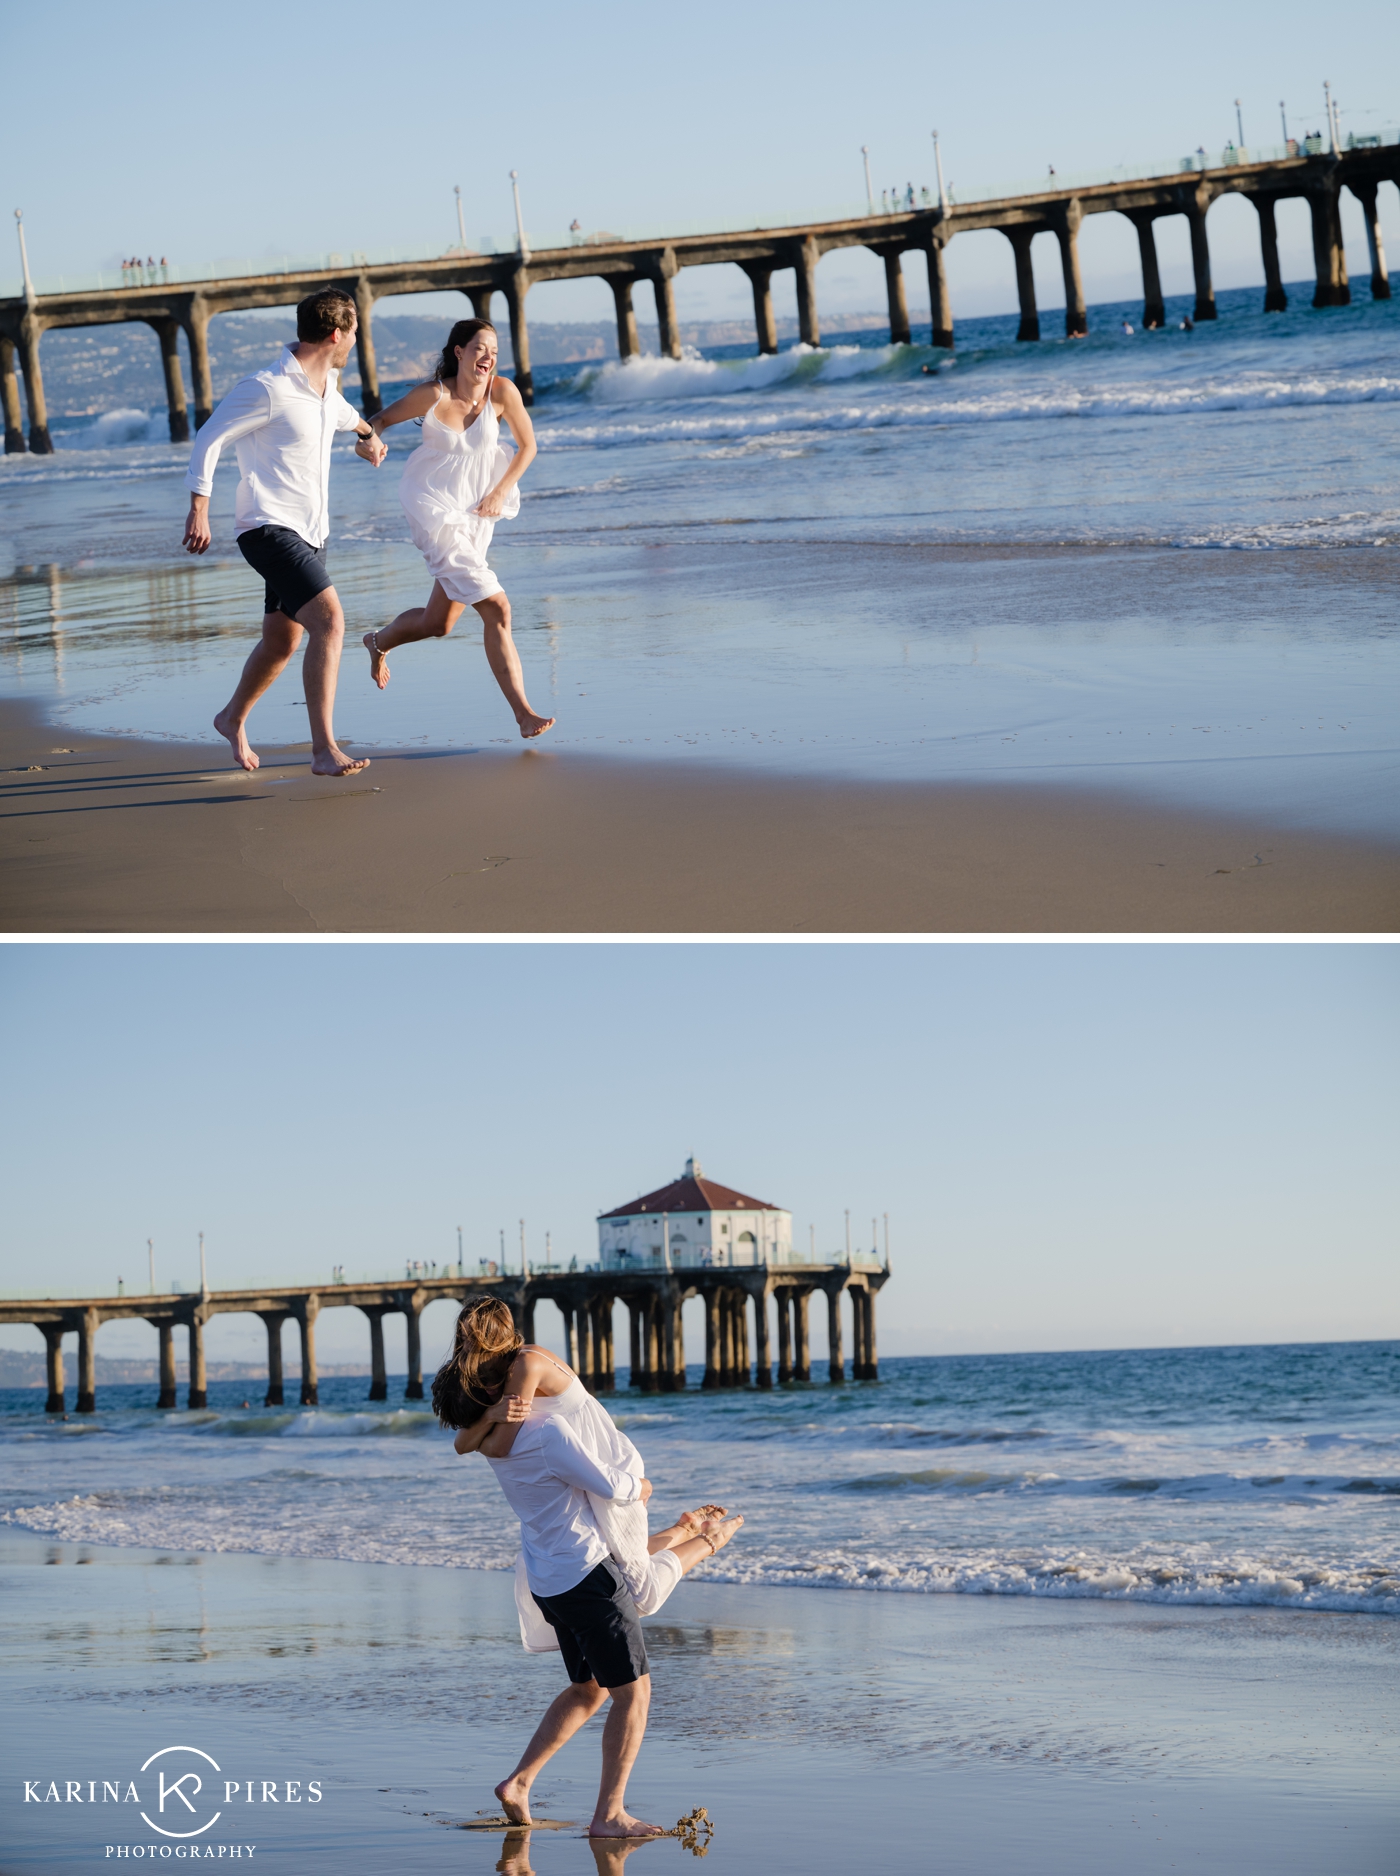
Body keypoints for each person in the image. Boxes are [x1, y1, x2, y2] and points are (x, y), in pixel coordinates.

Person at [434, 1301, 742, 1839]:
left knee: (591, 1688)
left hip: (550, 1578)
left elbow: (474, 1440)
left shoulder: (488, 1446)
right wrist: (641, 1487)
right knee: (635, 1693)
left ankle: (519, 1782)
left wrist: (483, 1421)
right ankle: (610, 1815)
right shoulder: (547, 1435)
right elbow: (612, 1485)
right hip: (584, 1574)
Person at [182, 288, 387, 775]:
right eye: (354, 332)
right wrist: (199, 507)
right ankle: (323, 749)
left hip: (311, 534)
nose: (355, 341)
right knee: (330, 622)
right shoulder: (267, 387)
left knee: (282, 640)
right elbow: (209, 437)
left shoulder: (324, 387)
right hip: (267, 528)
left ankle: (231, 718)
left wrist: (370, 439)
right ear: (337, 334)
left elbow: (348, 417)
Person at [357, 319, 553, 740]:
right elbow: (378, 420)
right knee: (497, 607)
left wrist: (501, 491)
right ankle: (523, 713)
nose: (489, 357)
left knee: (438, 623)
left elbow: (528, 446)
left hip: (477, 515)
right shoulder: (434, 395)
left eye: (495, 351)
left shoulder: (503, 391)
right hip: (432, 510)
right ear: (459, 352)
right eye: (480, 348)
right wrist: (368, 440)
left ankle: (377, 642)